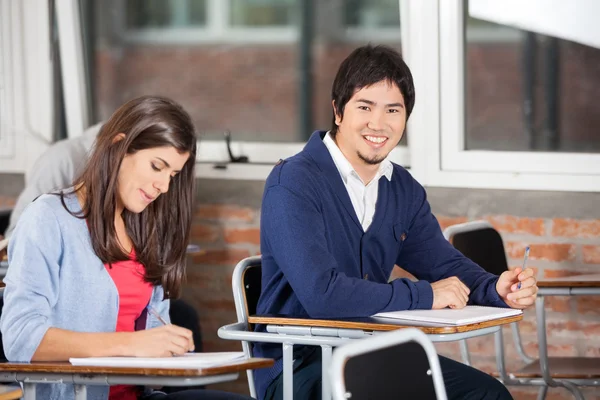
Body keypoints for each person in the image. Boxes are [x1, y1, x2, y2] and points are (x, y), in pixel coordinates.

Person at [255, 45, 539, 400]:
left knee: (486, 394)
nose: (379, 123)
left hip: (370, 353)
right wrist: (425, 295)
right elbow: (322, 295)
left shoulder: (403, 189)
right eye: (364, 107)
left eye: (393, 110)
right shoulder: (294, 182)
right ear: (338, 111)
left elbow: (442, 264)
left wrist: (493, 287)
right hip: (301, 365)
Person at [0, 96, 251, 400]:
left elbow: (153, 333)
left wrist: (170, 349)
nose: (164, 186)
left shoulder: (144, 228)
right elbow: (21, 339)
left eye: (172, 175)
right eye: (157, 166)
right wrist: (132, 344)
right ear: (119, 145)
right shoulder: (48, 218)